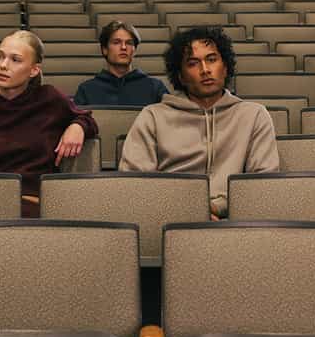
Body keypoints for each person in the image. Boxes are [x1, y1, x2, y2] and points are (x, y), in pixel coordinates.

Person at [119, 26, 279, 218]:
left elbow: (262, 183)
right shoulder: (153, 117)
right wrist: (191, 210)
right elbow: (134, 183)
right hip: (169, 220)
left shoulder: (254, 115)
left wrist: (215, 208)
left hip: (237, 222)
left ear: (225, 67)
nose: (205, 70)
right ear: (180, 76)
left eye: (212, 60)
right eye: (193, 63)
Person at [0, 30, 98, 217]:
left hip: (36, 207)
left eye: (15, 60)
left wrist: (77, 126)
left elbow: (87, 118)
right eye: (0, 57)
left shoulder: (49, 100)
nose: (3, 66)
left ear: (34, 70)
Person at [74, 20, 168, 106]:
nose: (123, 47)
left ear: (134, 51)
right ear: (105, 49)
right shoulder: (87, 90)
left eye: (129, 43)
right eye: (116, 42)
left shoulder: (155, 87)